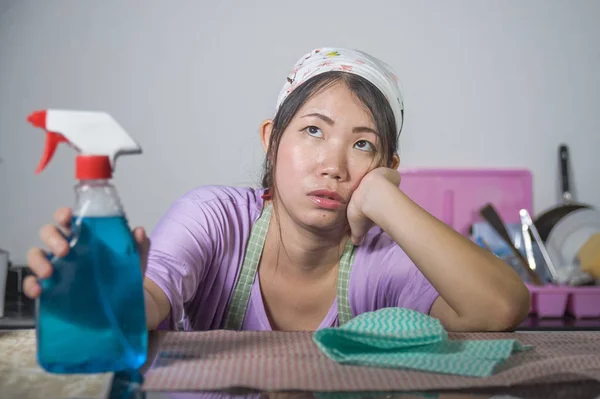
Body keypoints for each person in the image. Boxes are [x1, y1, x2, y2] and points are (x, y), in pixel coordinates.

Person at [24, 47, 531, 332]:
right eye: (313, 130)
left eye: (362, 145)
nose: (332, 164)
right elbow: (144, 303)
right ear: (272, 142)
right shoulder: (214, 220)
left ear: (387, 166)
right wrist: (100, 297)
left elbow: (499, 310)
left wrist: (385, 199)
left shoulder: (383, 258)